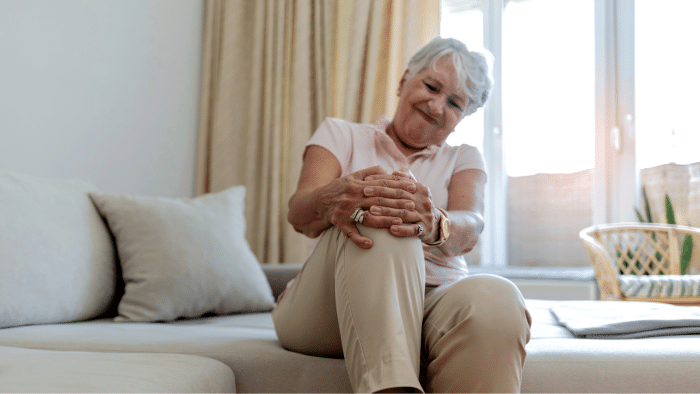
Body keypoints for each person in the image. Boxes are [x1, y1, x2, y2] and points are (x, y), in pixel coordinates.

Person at [272, 37, 532, 393]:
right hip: (329, 305)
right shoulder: (341, 134)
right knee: (381, 218)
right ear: (403, 80)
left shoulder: (464, 158)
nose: (437, 105)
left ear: (462, 119)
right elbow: (298, 213)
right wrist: (336, 199)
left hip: (433, 299)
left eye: (455, 103)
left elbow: (472, 225)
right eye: (431, 86)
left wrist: (434, 222)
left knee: (497, 298)